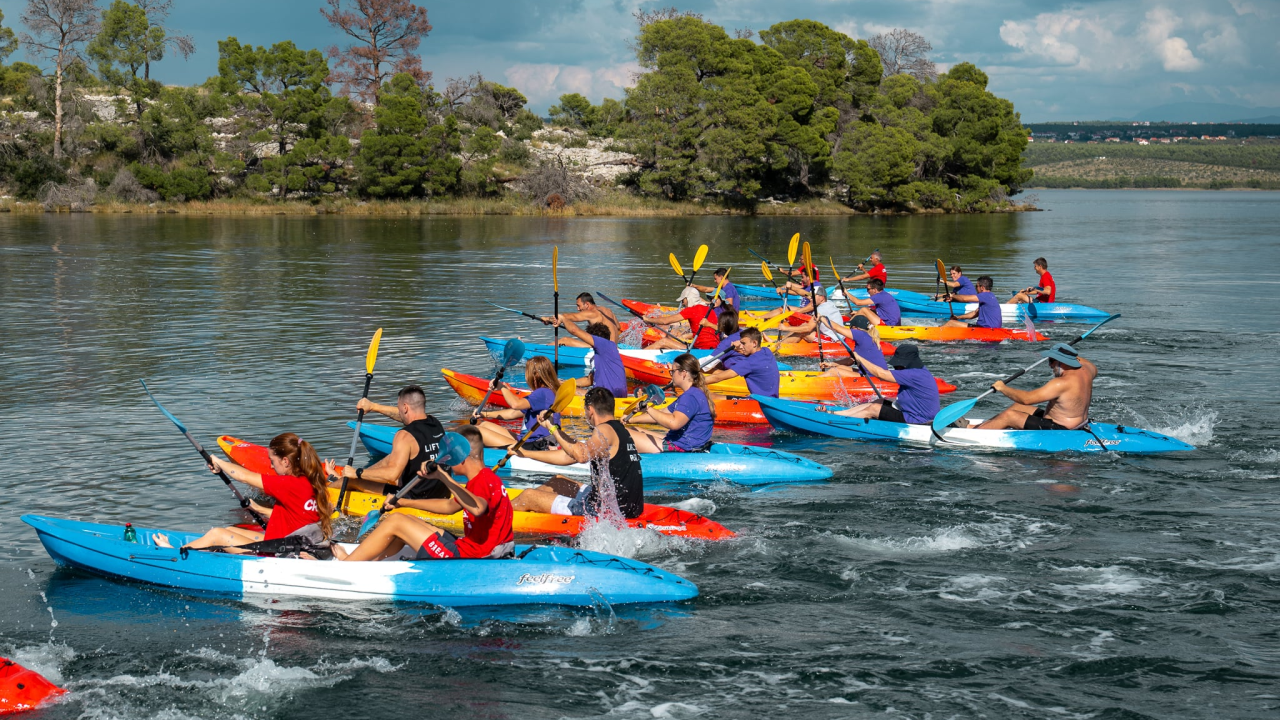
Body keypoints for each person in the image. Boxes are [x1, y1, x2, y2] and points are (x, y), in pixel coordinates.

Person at [332, 426, 515, 561]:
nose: (448, 463)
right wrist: (403, 502)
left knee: (396, 522)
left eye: (451, 458)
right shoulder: (486, 478)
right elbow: (449, 506)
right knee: (406, 519)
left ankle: (348, 565)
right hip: (475, 548)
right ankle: (372, 562)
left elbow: (477, 508)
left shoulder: (483, 481)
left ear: (462, 457)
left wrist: (443, 477)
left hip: (476, 556)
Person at [153, 433, 333, 552]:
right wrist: (259, 509)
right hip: (289, 544)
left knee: (217, 534)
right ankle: (203, 556)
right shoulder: (310, 482)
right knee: (231, 529)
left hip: (278, 554)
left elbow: (245, 476)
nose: (271, 465)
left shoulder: (288, 484)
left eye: (273, 460)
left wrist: (217, 461)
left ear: (286, 461)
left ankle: (173, 554)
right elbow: (297, 515)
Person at [510, 387, 645, 520]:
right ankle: (536, 506)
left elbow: (581, 456)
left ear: (590, 410)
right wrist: (526, 453)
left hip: (606, 512)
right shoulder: (618, 429)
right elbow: (569, 455)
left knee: (527, 496)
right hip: (628, 506)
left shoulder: (603, 430)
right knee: (557, 481)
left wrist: (553, 429)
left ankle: (498, 517)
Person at [329, 385, 449, 500]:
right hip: (441, 492)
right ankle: (343, 478)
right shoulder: (435, 423)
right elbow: (404, 415)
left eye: (399, 408)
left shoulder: (404, 436)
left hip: (415, 497)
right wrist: (373, 406)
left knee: (353, 481)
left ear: (405, 408)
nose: (399, 412)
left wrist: (357, 473)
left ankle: (327, 490)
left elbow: (392, 474)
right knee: (391, 458)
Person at [977, 343, 1096, 430]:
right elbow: (1081, 360)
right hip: (1078, 421)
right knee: (1018, 406)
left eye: (1051, 361)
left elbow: (1027, 399)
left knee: (1010, 416)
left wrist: (1003, 388)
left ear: (1062, 361)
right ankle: (980, 427)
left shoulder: (1061, 383)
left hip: (1061, 428)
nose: (1049, 365)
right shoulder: (1089, 370)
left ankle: (975, 434)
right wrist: (1065, 353)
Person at [825, 344, 939, 424]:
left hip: (918, 419)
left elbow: (880, 374)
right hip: (912, 412)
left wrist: (859, 359)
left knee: (874, 409)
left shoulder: (913, 374)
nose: (896, 367)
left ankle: (838, 422)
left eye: (898, 365)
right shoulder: (920, 370)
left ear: (906, 363)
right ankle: (838, 413)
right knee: (880, 401)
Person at [627, 353, 715, 453]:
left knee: (622, 433)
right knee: (634, 429)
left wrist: (647, 408)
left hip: (682, 448)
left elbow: (674, 423)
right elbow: (662, 414)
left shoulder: (690, 396)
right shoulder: (692, 393)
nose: (671, 375)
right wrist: (631, 420)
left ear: (683, 373)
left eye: (672, 371)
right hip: (681, 444)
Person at [475, 356, 562, 450]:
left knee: (477, 431)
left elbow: (515, 404)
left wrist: (502, 387)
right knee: (484, 425)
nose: (526, 376)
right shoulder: (543, 393)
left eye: (526, 371)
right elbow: (513, 413)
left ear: (535, 375)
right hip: (527, 440)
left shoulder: (543, 393)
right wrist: (484, 414)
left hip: (538, 444)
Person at [551, 317, 627, 398]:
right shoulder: (606, 352)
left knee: (561, 390)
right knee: (565, 386)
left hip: (606, 397)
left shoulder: (602, 343)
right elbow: (589, 380)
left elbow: (574, 330)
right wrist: (566, 383)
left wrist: (563, 319)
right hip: (614, 394)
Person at [704, 327, 780, 398]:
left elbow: (718, 378)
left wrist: (695, 383)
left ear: (754, 343)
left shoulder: (749, 362)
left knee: (712, 396)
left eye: (743, 343)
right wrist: (737, 349)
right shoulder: (766, 351)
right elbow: (751, 356)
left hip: (759, 403)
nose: (741, 346)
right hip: (772, 399)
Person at [646, 287, 720, 350]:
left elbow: (665, 321)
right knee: (670, 343)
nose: (683, 303)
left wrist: (647, 319)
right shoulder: (709, 310)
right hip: (714, 348)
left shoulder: (691, 310)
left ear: (688, 299)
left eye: (683, 300)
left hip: (701, 350)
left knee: (664, 341)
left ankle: (636, 357)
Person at [819, 315, 890, 376]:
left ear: (856, 328)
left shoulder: (860, 334)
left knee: (834, 372)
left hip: (873, 376)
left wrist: (821, 318)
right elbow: (849, 361)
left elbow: (836, 328)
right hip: (871, 373)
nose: (849, 329)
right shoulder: (867, 336)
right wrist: (831, 364)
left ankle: (809, 385)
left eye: (851, 327)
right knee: (837, 368)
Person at [542, 292, 622, 346]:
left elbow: (572, 317)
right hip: (614, 348)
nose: (578, 309)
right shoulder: (608, 311)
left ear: (587, 304)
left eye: (578, 305)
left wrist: (548, 319)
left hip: (603, 349)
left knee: (565, 340)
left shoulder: (592, 313)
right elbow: (618, 327)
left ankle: (539, 351)